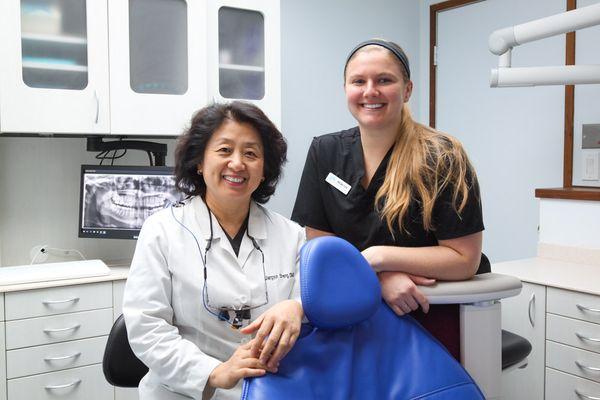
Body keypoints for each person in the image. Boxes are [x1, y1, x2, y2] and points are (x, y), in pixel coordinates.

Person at [291, 39, 484, 359]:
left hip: (424, 314)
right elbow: (320, 245)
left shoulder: (443, 156)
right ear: (345, 89)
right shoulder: (325, 151)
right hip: (351, 310)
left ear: (407, 90)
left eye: (384, 80)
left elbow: (464, 259)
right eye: (358, 81)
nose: (370, 91)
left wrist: (378, 257)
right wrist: (376, 277)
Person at [123, 101, 305, 400]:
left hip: (270, 389)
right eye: (224, 150)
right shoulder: (162, 231)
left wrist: (298, 306)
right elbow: (147, 326)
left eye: (251, 153)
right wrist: (212, 373)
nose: (237, 163)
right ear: (199, 161)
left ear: (264, 169)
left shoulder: (292, 235)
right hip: (185, 392)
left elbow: (308, 311)